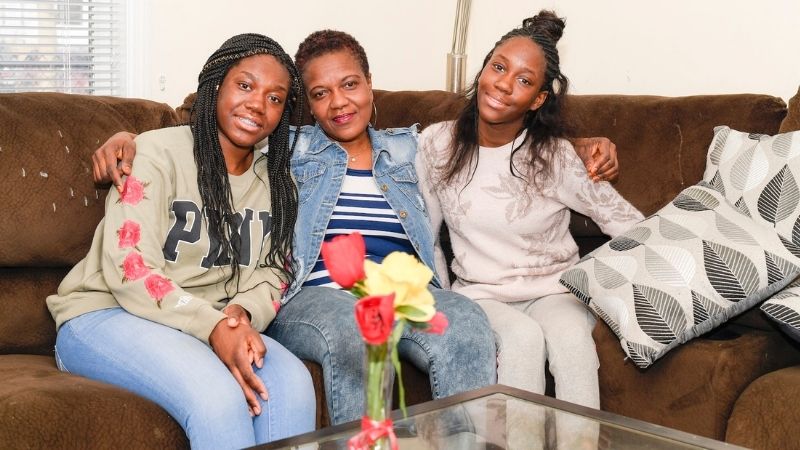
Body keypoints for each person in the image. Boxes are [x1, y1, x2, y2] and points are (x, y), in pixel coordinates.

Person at [89, 29, 620, 426]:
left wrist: (577, 144)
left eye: (350, 85)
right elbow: (221, 127)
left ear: (371, 86)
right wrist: (128, 136)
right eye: (320, 94)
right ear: (304, 106)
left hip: (404, 290)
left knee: (467, 324)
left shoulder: (415, 147)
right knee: (356, 326)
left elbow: (492, 138)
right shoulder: (289, 148)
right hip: (317, 297)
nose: (339, 102)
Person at [47, 33, 316, 449]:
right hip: (105, 314)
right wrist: (214, 328)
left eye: (275, 97)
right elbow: (130, 268)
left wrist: (238, 316)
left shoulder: (279, 184)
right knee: (217, 398)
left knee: (295, 383)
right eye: (245, 85)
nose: (258, 104)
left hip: (208, 321)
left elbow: (276, 269)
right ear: (215, 86)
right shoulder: (151, 154)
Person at [415, 10, 644, 448]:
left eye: (523, 80)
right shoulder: (436, 143)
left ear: (538, 99)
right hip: (479, 293)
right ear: (483, 69)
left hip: (553, 291)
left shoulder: (557, 157)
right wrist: (442, 302)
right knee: (521, 341)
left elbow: (629, 226)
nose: (503, 84)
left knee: (572, 343)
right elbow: (427, 237)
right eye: (498, 67)